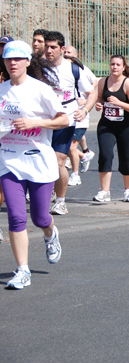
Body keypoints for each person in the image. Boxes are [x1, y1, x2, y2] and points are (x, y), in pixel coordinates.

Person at [0, 40, 69, 289]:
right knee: (16, 218)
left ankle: (50, 234)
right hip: (9, 161)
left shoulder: (40, 89)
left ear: (28, 61)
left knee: (40, 218)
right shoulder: (1, 90)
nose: (13, 63)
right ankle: (22, 270)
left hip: (38, 161)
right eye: (9, 59)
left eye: (18, 59)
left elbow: (63, 119)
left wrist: (35, 123)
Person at [44, 31, 97, 215]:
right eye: (47, 47)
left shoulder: (73, 69)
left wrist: (84, 110)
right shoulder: (39, 68)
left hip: (66, 119)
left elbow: (92, 93)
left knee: (59, 161)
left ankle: (60, 201)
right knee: (42, 160)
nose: (49, 50)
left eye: (53, 47)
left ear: (62, 48)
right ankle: (44, 194)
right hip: (44, 121)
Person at [93, 55, 129, 202]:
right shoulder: (103, 82)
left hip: (125, 127)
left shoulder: (127, 84)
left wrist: (119, 103)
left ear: (123, 67)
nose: (114, 67)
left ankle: (128, 190)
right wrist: (99, 104)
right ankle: (105, 191)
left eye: (118, 65)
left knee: (125, 159)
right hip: (106, 125)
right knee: (105, 156)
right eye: (112, 64)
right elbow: (99, 97)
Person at [63, 45, 98, 186]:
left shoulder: (80, 69)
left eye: (69, 54)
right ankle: (84, 155)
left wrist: (86, 101)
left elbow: (94, 84)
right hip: (66, 116)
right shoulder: (60, 71)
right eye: (65, 54)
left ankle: (75, 174)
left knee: (71, 147)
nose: (67, 56)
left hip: (80, 115)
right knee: (63, 147)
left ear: (76, 55)